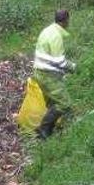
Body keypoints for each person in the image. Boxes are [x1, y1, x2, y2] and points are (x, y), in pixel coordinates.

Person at [33, 9, 75, 139]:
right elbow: (60, 61)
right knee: (64, 103)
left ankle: (48, 133)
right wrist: (73, 67)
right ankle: (43, 129)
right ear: (65, 21)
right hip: (48, 75)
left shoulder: (47, 30)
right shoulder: (56, 36)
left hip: (38, 72)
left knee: (52, 104)